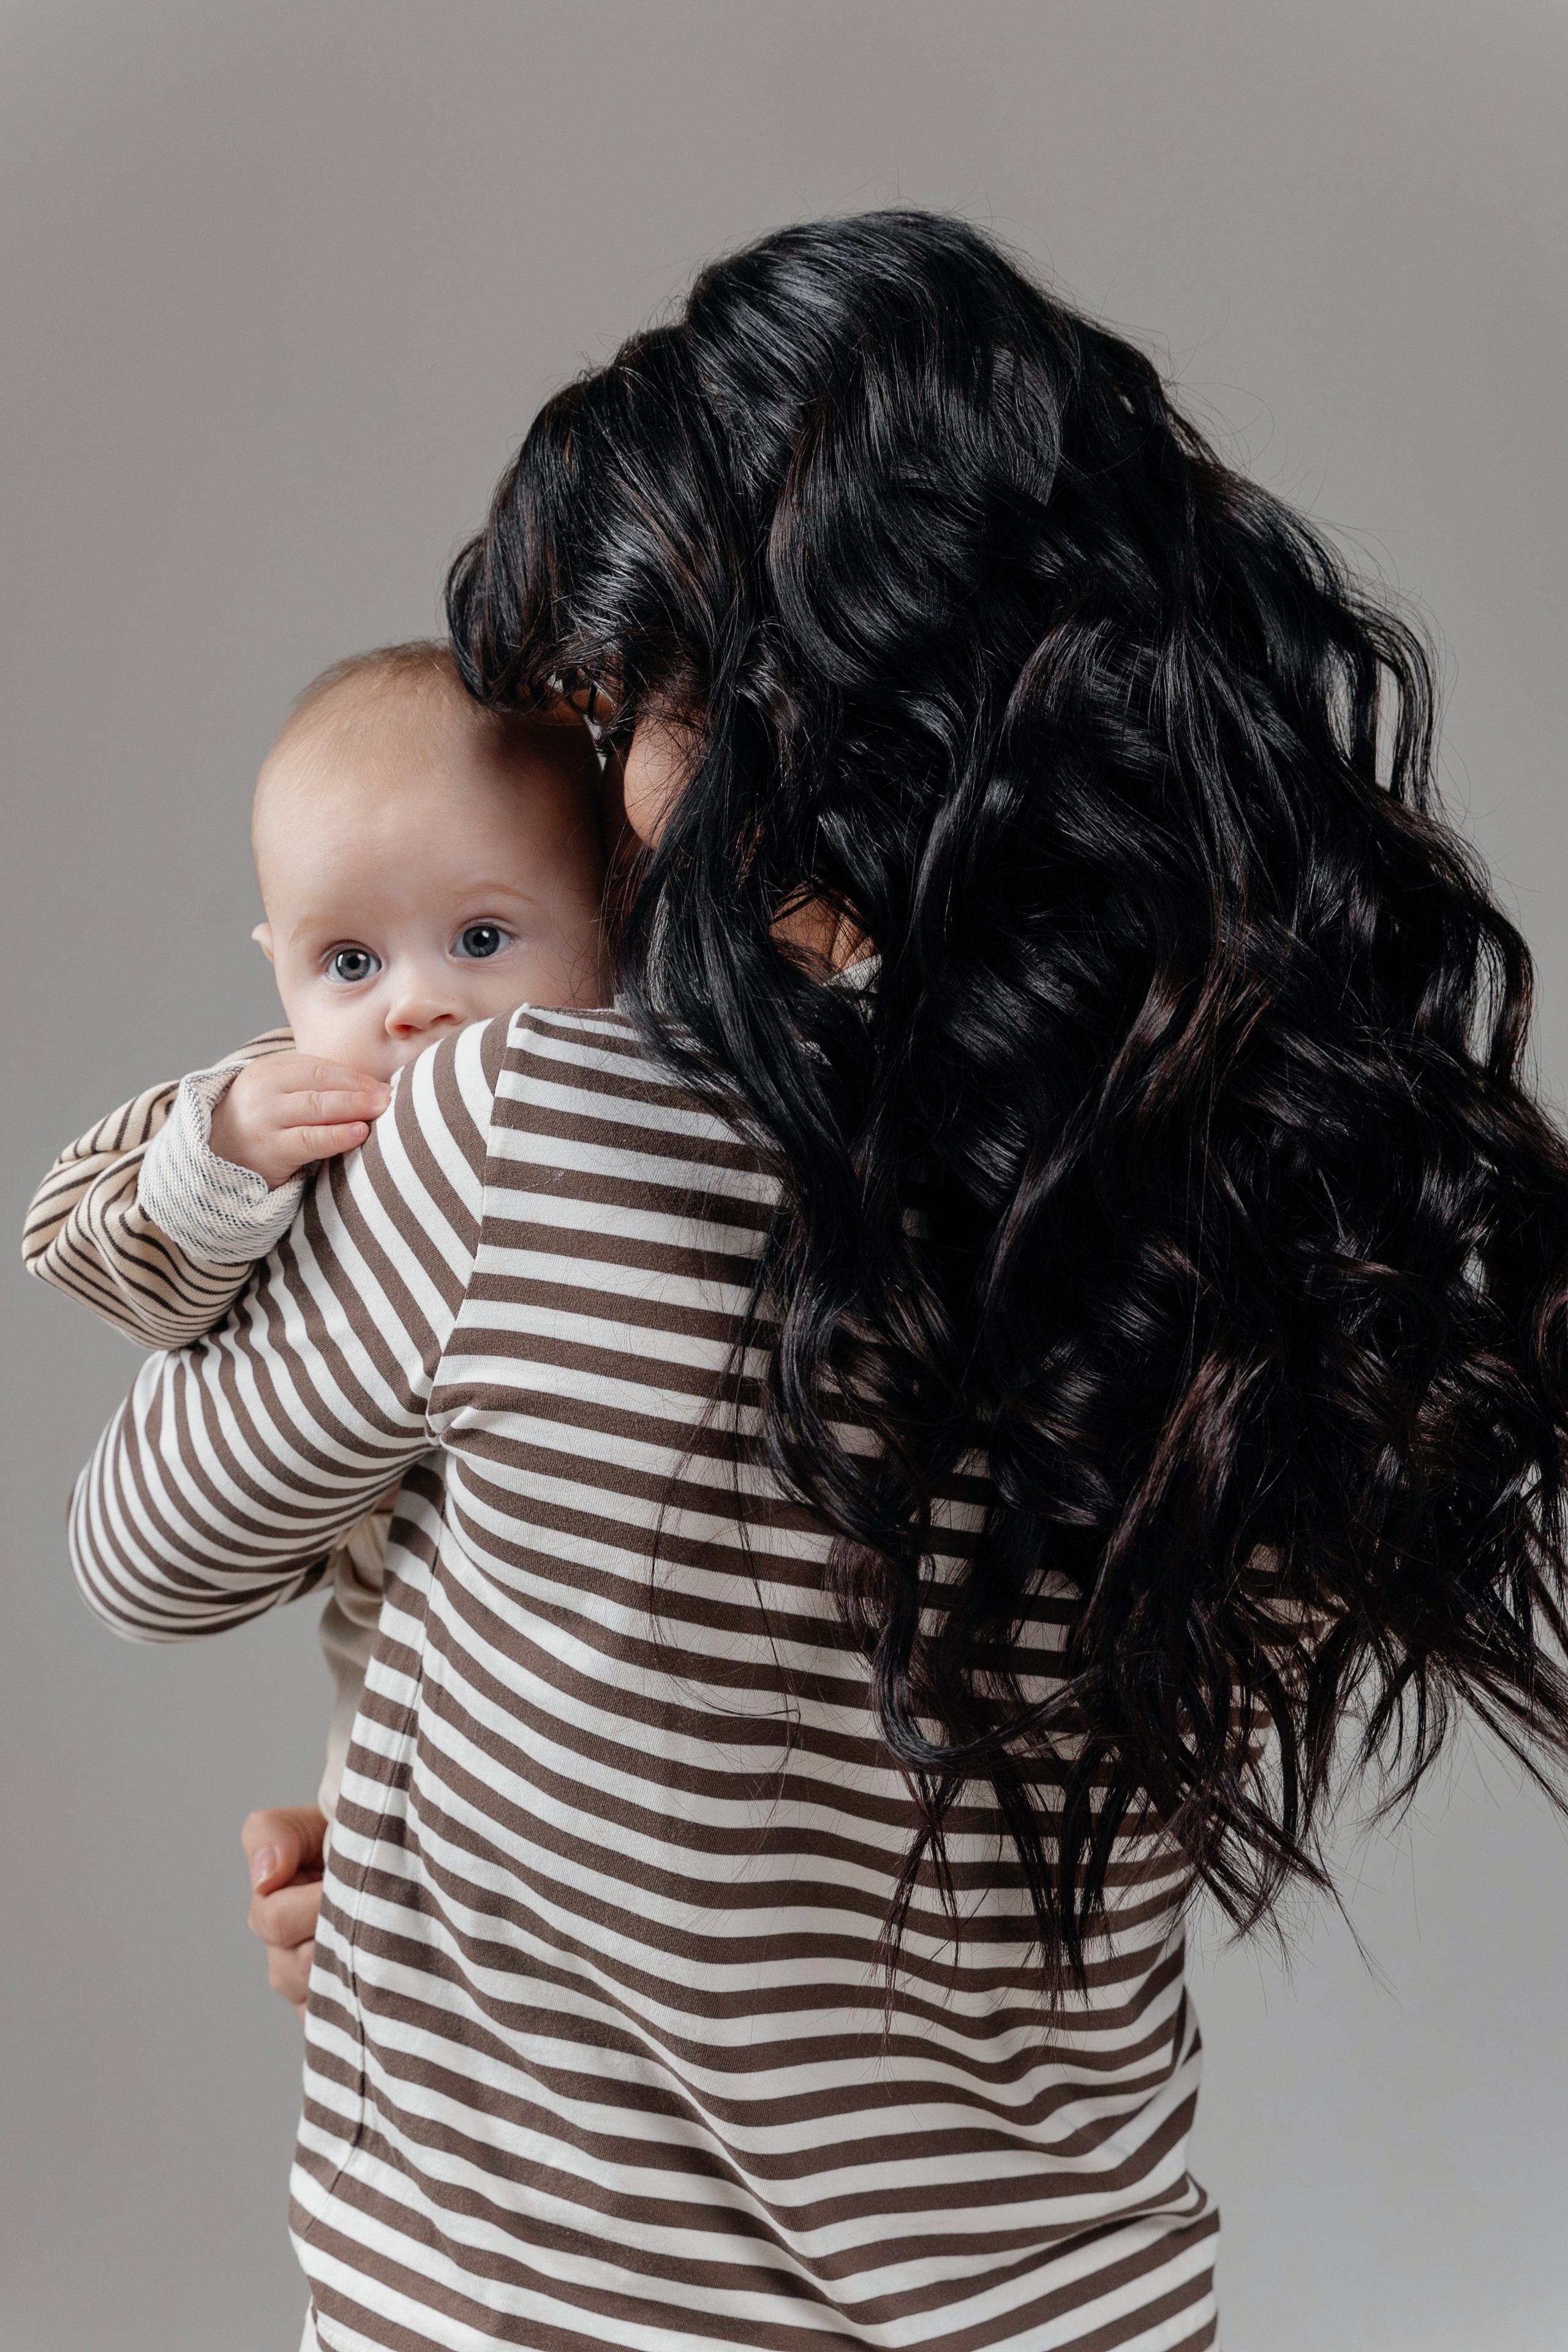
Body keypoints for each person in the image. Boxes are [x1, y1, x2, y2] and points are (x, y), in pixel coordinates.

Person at [64, 211, 1568, 2352]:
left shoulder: (521, 1133)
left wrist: (440, 1862)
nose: (607, 800)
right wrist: (481, 1842)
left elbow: (143, 1553)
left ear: (799, 708)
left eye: (630, 710)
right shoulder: (1288, 1254)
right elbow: (929, 1849)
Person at [27, 640, 608, 1942]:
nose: (412, 1007)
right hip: (373, 1575)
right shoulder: (287, 1104)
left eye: (480, 937)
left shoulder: (565, 1103)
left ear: (610, 915)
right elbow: (76, 1233)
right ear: (275, 960)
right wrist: (221, 1155)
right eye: (347, 961)